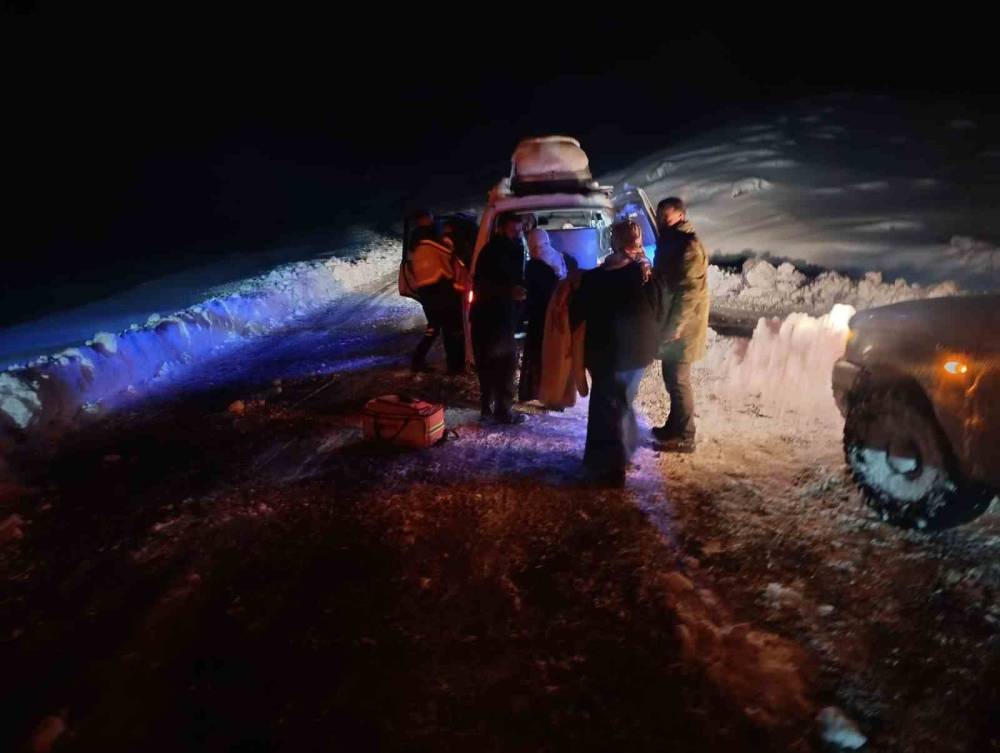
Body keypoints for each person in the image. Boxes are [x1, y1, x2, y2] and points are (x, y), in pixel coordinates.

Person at [570, 219, 664, 485]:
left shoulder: (601, 276)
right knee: (622, 403)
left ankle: (612, 470)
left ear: (615, 241)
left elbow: (579, 309)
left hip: (611, 353)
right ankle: (616, 458)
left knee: (609, 407)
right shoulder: (644, 271)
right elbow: (659, 308)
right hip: (639, 352)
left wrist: (577, 281)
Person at [651, 197, 709, 453]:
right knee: (670, 377)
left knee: (679, 380)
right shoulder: (671, 241)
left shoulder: (689, 246)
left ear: (681, 216)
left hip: (683, 327)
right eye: (660, 215)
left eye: (668, 216)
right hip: (672, 322)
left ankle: (686, 436)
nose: (662, 220)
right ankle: (673, 426)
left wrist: (676, 326)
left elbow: (689, 292)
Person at [471, 212, 528, 424]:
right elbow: (482, 285)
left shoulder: (513, 248)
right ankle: (499, 411)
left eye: (520, 230)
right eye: (513, 230)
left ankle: (491, 410)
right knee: (503, 365)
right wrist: (509, 292)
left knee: (493, 365)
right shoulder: (493, 251)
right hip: (491, 317)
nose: (517, 234)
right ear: (501, 228)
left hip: (501, 317)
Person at [519, 225, 576, 402]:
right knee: (559, 356)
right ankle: (559, 394)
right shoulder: (566, 259)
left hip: (541, 320)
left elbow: (531, 295)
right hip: (563, 318)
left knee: (540, 357)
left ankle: (541, 393)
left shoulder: (533, 266)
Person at [408, 226, 466, 373]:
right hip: (441, 294)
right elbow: (448, 257)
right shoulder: (433, 246)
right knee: (452, 330)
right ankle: (455, 366)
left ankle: (417, 360)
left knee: (433, 329)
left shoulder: (417, 251)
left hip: (428, 297)